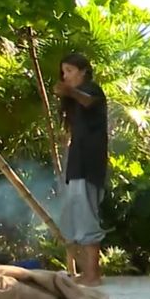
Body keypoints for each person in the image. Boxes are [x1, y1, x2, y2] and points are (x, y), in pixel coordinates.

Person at [54, 53, 108, 287]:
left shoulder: (92, 91)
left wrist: (70, 92)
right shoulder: (76, 100)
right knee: (79, 216)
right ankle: (88, 273)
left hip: (88, 165)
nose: (66, 76)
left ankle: (93, 275)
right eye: (63, 72)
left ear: (83, 71)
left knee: (87, 217)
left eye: (69, 71)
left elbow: (88, 101)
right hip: (78, 166)